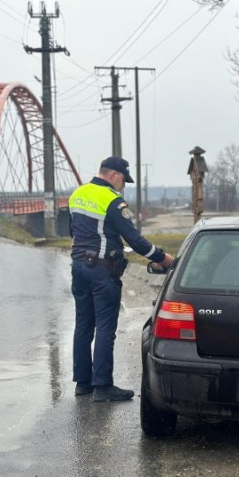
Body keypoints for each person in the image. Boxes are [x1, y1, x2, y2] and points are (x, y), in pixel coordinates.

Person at [68, 156, 174, 402]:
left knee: (83, 324)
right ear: (114, 174)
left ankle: (83, 383)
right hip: (102, 270)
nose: (122, 185)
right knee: (105, 326)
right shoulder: (112, 202)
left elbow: (73, 232)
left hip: (78, 266)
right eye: (123, 180)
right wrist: (163, 258)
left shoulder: (77, 194)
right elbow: (135, 241)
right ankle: (103, 386)